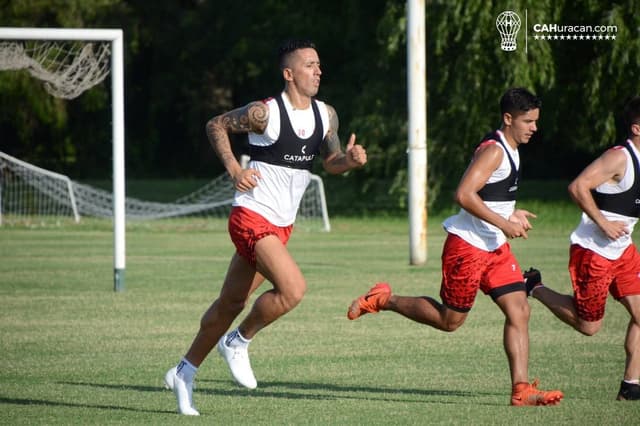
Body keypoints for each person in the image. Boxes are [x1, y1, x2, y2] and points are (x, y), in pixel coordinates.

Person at [163, 39, 367, 415]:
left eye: (319, 64)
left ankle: (183, 371)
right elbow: (216, 125)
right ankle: (238, 341)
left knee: (230, 303)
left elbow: (331, 162)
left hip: (280, 226)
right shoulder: (264, 114)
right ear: (288, 73)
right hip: (251, 215)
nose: (318, 70)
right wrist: (235, 169)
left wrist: (350, 161)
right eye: (309, 65)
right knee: (293, 290)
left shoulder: (328, 116)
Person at [347, 87, 563, 406]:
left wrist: (509, 213)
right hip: (468, 248)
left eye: (535, 121)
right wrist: (505, 224)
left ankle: (521, 391)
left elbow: (489, 193)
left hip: (495, 248)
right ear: (508, 118)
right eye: (528, 121)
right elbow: (463, 194)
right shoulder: (495, 151)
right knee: (450, 321)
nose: (534, 127)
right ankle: (383, 299)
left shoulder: (513, 148)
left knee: (520, 309)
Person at [526, 95, 640, 401]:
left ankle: (631, 386)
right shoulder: (619, 158)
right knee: (589, 327)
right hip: (594, 251)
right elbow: (577, 187)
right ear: (637, 129)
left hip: (623, 251)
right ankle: (534, 286)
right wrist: (603, 223)